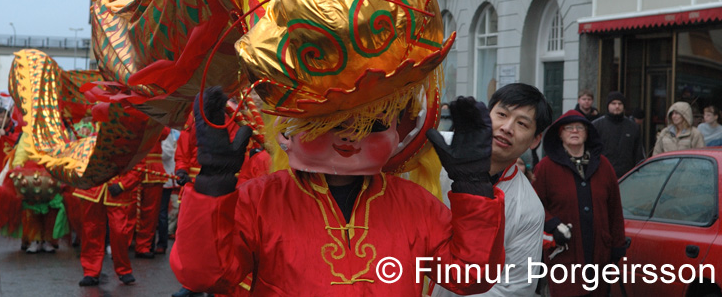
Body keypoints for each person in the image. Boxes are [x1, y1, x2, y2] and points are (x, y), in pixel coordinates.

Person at [170, 88, 505, 296]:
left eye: (369, 125)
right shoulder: (261, 199)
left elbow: (470, 276)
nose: (349, 139)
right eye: (332, 123)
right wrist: (212, 187)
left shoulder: (415, 203)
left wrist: (473, 187)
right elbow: (205, 276)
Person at [433, 83, 553, 297]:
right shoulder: (436, 151)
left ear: (535, 140)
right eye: (501, 114)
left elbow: (514, 288)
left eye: (522, 124)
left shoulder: (529, 208)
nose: (507, 127)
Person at [533, 110, 627, 297]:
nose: (574, 131)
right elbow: (534, 206)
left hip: (599, 254)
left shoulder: (604, 166)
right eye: (568, 128)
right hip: (564, 254)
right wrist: (553, 225)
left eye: (579, 127)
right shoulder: (545, 167)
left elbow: (614, 209)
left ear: (587, 132)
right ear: (560, 134)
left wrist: (617, 247)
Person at [74, 167, 143, 287]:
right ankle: (91, 271)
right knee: (91, 230)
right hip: (93, 186)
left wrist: (123, 185)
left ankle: (123, 270)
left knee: (119, 231)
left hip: (116, 189)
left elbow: (138, 165)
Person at [133, 127, 170, 259]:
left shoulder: (158, 113)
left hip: (152, 168)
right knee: (128, 210)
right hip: (133, 167)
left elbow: (165, 132)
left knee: (151, 212)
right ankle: (123, 244)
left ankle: (143, 245)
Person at [592, 91, 644, 178]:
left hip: (627, 177)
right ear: (608, 105)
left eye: (620, 103)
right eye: (613, 103)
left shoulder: (633, 127)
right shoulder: (596, 126)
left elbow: (638, 154)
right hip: (602, 175)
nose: (617, 106)